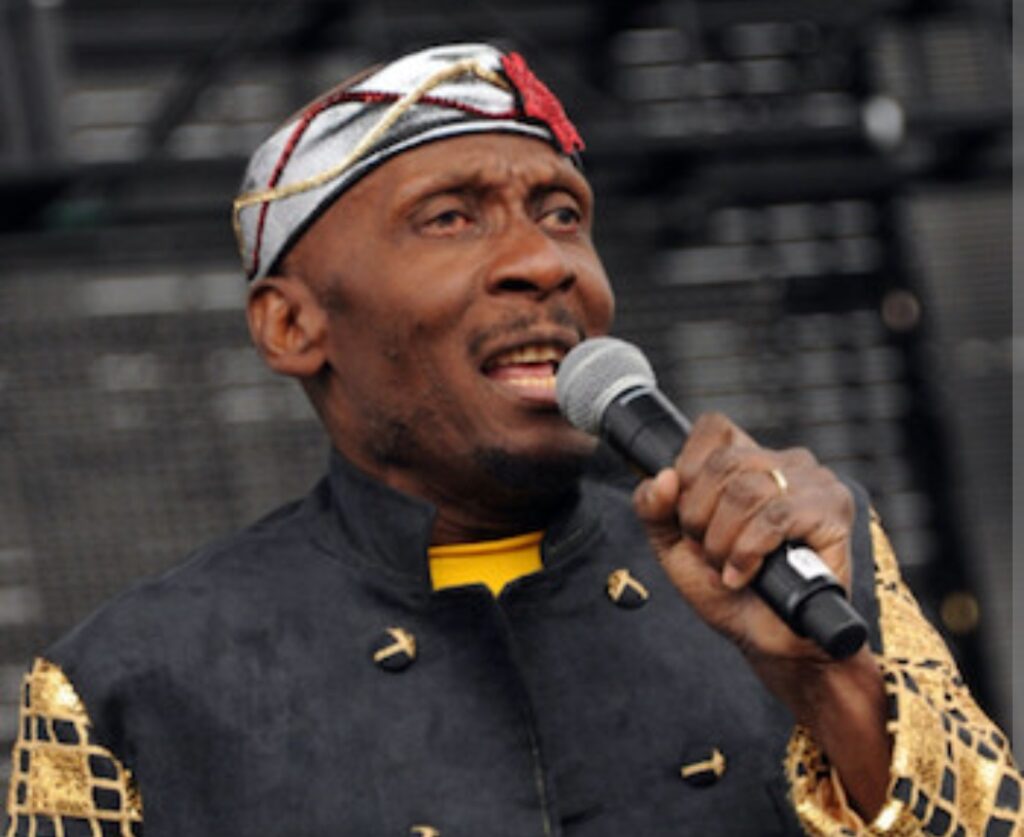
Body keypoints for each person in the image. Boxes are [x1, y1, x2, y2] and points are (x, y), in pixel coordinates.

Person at [3, 42, 1020, 837]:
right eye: (450, 218)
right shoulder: (124, 689)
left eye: (562, 213)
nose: (544, 261)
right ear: (292, 326)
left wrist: (830, 687)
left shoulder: (799, 568)